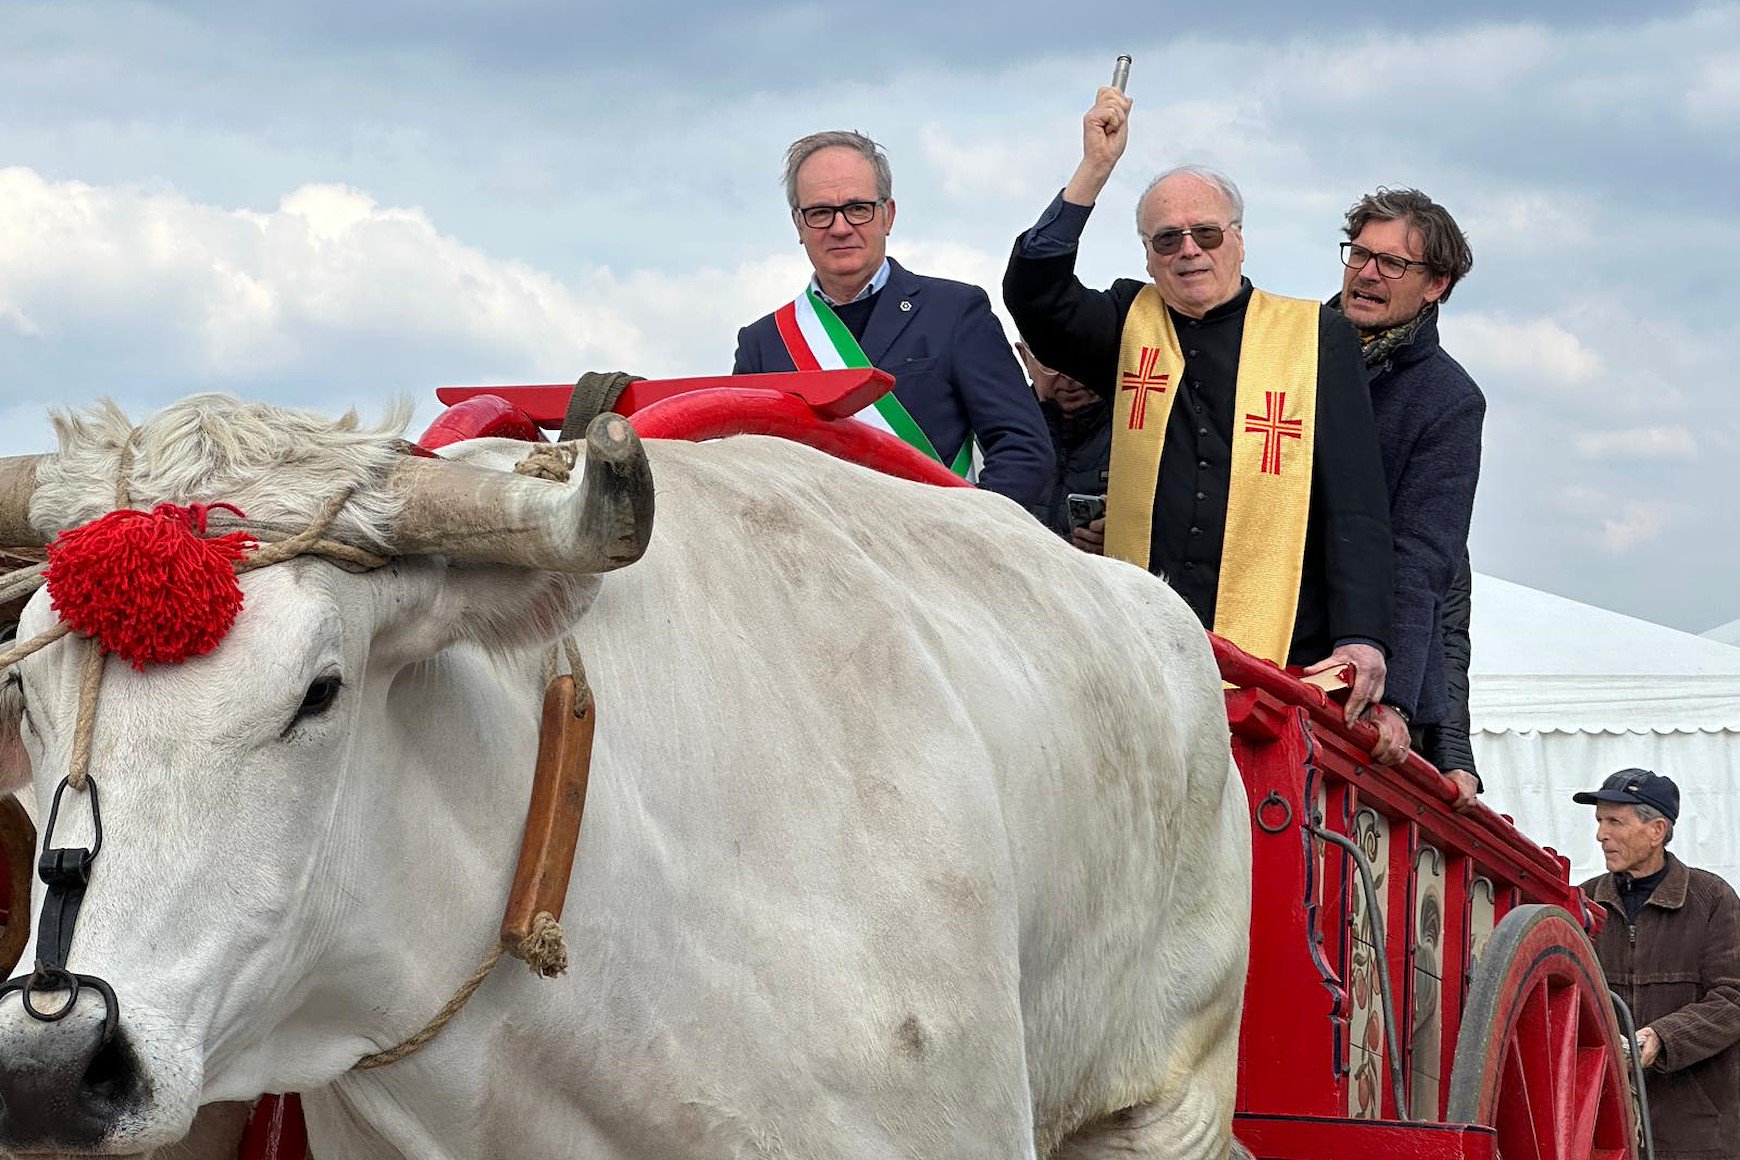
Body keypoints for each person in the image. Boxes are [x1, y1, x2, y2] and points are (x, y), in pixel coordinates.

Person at [1003, 86, 1396, 734]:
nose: (1189, 250)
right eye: (1167, 239)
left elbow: (1356, 502)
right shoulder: (1126, 322)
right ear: (1148, 255)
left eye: (1206, 233)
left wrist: (1363, 635)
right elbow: (1034, 295)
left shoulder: (1315, 336)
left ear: (1238, 241)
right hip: (1142, 649)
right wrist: (1093, 170)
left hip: (1280, 652)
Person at [733, 130, 1052, 511]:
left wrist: (964, 533)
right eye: (819, 213)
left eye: (858, 208)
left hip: (939, 540)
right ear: (799, 226)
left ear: (888, 215)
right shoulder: (763, 344)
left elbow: (1023, 448)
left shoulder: (954, 312)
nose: (840, 228)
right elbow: (745, 474)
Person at [1332, 188, 1486, 803]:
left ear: (1435, 285)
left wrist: (1393, 700)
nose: (1367, 273)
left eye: (1392, 263)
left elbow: (1425, 568)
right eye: (1359, 254)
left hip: (1356, 683)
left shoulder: (1449, 402)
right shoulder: (1285, 351)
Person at [1574, 770, 1740, 1159]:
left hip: (1696, 1130)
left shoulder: (1712, 899)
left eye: (1615, 822)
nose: (1600, 835)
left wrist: (1661, 1039)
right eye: (1599, 821)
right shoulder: (1584, 904)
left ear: (1657, 830)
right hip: (1603, 1127)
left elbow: (1733, 998)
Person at [1016, 342, 1111, 541]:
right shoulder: (985, 440)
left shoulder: (1146, 439)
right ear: (1024, 358)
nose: (1070, 375)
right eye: (1051, 361)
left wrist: (1124, 540)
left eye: (1085, 358)